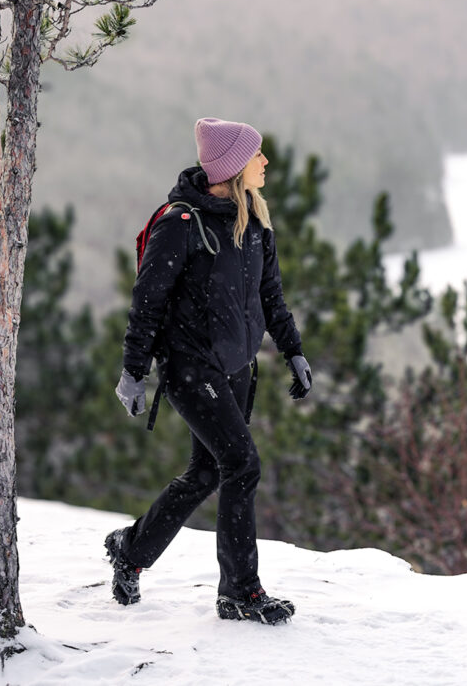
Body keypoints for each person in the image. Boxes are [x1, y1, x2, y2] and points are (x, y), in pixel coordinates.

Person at [106, 117, 313, 626]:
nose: (265, 162)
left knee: (206, 472)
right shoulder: (180, 224)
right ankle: (240, 593)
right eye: (257, 155)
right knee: (242, 465)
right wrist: (134, 371)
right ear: (234, 167)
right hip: (190, 367)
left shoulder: (256, 223)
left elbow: (272, 298)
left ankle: (129, 549)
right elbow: (147, 302)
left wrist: (294, 351)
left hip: (236, 368)